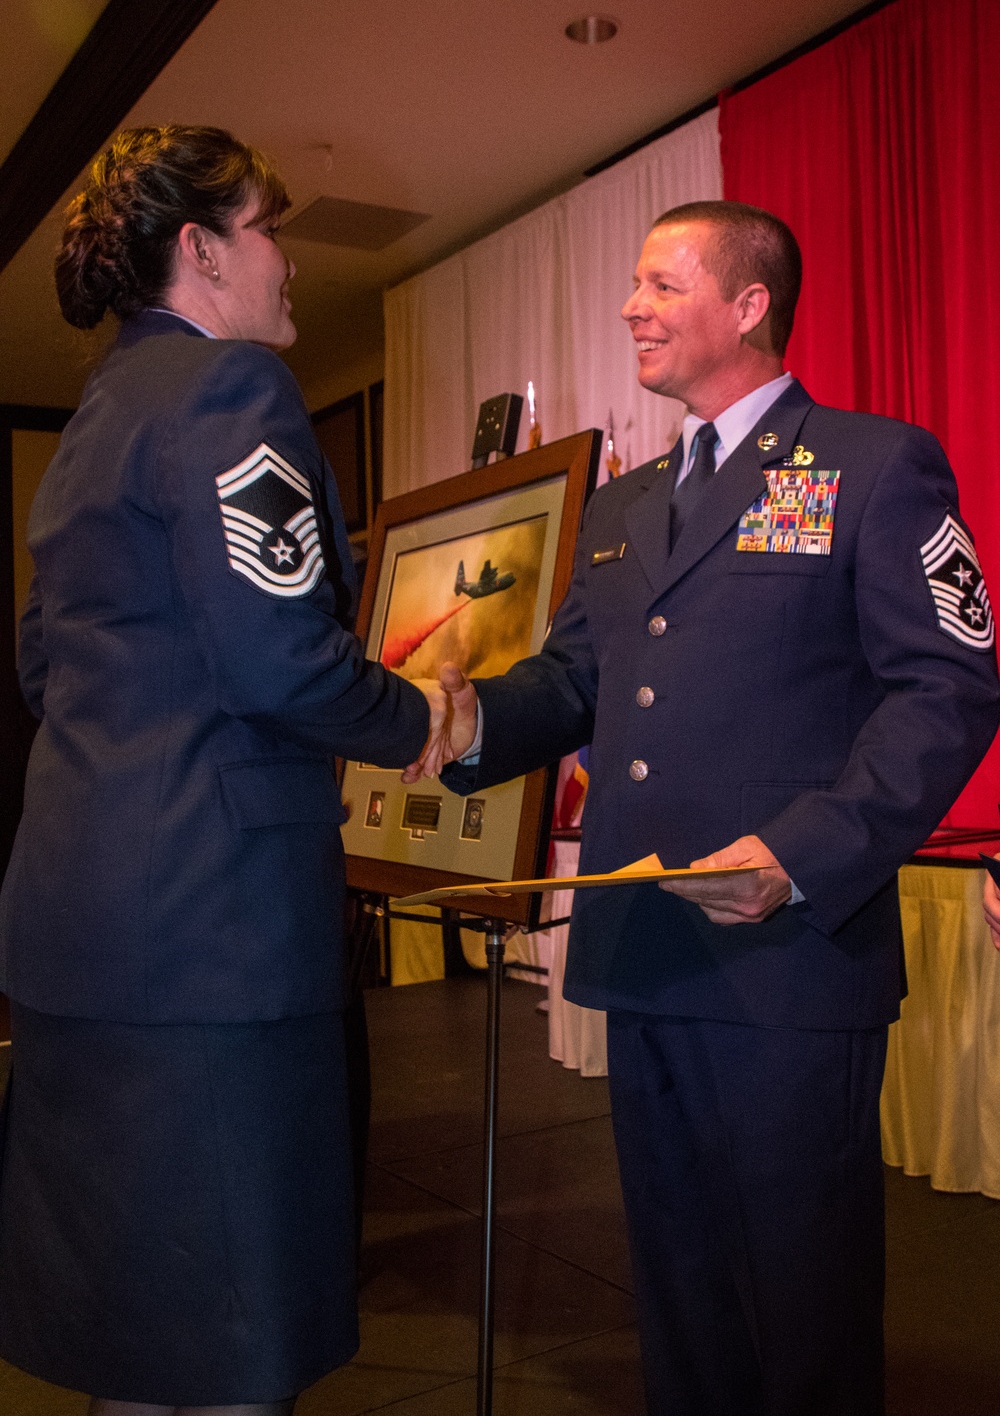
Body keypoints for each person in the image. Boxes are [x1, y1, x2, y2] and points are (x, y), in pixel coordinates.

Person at [415, 201, 1000, 1415]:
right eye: (631, 284)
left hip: (786, 950)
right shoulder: (627, 507)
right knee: (676, 1286)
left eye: (661, 283)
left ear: (748, 307)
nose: (631, 305)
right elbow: (575, 678)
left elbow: (946, 684)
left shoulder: (873, 464)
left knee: (801, 1293)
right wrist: (472, 724)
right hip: (644, 945)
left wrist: (799, 856)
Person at [0, 125, 448, 1416]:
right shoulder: (231, 394)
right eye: (268, 231)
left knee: (140, 1346)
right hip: (217, 952)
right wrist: (419, 713)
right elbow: (283, 663)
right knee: (235, 1360)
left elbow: (45, 669)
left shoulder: (91, 425)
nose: (288, 263)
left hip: (85, 944)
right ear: (201, 252)